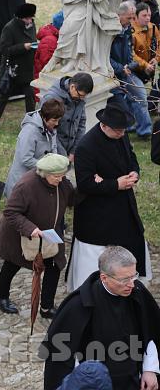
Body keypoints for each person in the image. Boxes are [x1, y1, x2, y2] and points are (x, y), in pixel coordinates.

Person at [41, 246, 160, 390]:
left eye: (134, 276)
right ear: (104, 277)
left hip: (134, 380)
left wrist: (150, 369)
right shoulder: (78, 305)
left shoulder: (138, 293)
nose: (131, 284)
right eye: (124, 279)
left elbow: (151, 331)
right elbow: (61, 356)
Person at [67, 103, 150, 291]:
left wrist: (134, 173)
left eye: (123, 130)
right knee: (98, 249)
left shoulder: (120, 134)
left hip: (123, 207)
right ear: (104, 126)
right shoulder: (86, 147)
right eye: (118, 131)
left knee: (131, 239)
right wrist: (116, 184)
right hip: (97, 214)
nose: (122, 134)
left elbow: (131, 157)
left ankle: (128, 282)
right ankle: (94, 289)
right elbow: (85, 183)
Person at [0, 153, 74, 316]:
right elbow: (11, 212)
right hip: (20, 234)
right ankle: (0, 296)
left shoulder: (61, 183)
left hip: (49, 233)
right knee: (13, 263)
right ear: (45, 173)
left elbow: (72, 198)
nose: (60, 179)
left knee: (55, 264)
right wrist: (30, 228)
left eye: (62, 176)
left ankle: (46, 307)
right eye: (57, 176)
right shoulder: (27, 185)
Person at [0, 3, 38, 129]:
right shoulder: (9, 28)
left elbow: (32, 39)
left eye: (31, 18)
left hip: (26, 67)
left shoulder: (31, 25)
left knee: (30, 94)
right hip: (12, 68)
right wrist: (23, 47)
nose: (30, 21)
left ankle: (30, 120)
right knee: (3, 94)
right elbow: (4, 50)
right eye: (27, 18)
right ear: (20, 17)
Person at [4, 98, 67, 197]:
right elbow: (26, 159)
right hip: (23, 182)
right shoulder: (29, 131)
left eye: (58, 120)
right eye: (54, 120)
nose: (57, 123)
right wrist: (48, 167)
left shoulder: (51, 126)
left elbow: (53, 149)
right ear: (45, 117)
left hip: (39, 178)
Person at [111, 1, 152, 139]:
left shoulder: (128, 29)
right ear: (118, 16)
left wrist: (130, 66)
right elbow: (104, 58)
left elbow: (129, 52)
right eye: (129, 18)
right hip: (112, 75)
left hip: (126, 71)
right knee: (122, 104)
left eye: (133, 17)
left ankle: (144, 131)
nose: (131, 21)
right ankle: (128, 126)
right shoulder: (110, 33)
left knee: (140, 94)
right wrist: (121, 68)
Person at [40, 71, 94, 161]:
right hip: (54, 149)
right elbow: (48, 128)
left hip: (70, 149)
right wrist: (62, 155)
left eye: (84, 96)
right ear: (72, 87)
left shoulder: (80, 97)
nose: (82, 99)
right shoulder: (51, 98)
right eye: (80, 95)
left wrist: (74, 150)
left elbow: (81, 124)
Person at [131, 2, 158, 85]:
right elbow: (131, 54)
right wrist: (145, 65)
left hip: (150, 67)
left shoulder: (153, 27)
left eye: (149, 15)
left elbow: (159, 44)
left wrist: (156, 59)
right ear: (136, 16)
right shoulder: (131, 32)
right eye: (144, 15)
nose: (148, 18)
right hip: (134, 70)